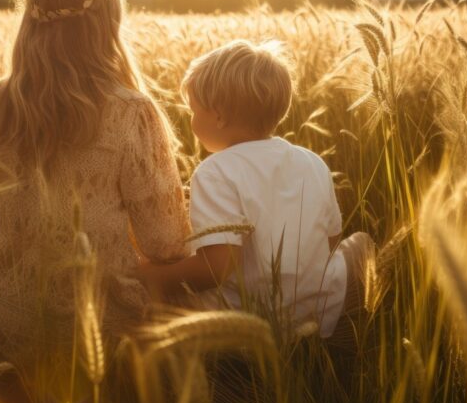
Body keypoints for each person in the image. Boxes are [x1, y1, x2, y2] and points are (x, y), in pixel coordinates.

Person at [0, 0, 192, 403]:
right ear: (108, 23)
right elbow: (166, 243)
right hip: (102, 324)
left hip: (9, 319)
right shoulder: (131, 110)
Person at [134, 40, 374, 342]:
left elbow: (216, 269)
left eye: (194, 110)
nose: (191, 120)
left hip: (243, 323)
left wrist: (150, 275)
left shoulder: (214, 172)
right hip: (317, 313)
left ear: (219, 116)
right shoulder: (312, 162)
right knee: (361, 244)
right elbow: (331, 240)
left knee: (159, 299)